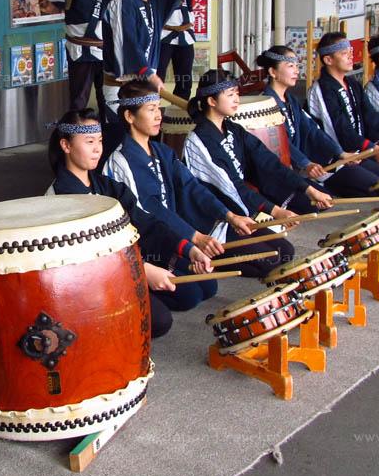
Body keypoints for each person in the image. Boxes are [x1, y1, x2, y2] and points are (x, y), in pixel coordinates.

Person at [46, 109, 213, 337]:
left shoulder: (107, 186)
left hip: (126, 263)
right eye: (89, 142)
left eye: (100, 141)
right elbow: (89, 257)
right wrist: (142, 270)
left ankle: (142, 285)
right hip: (91, 280)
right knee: (161, 320)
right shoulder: (60, 197)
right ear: (66, 146)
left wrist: (188, 248)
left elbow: (145, 222)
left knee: (195, 291)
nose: (97, 149)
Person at [103, 81, 262, 311]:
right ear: (129, 116)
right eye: (151, 110)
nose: (158, 115)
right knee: (188, 296)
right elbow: (151, 210)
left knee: (208, 287)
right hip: (147, 243)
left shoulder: (162, 151)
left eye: (159, 108)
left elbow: (191, 187)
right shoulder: (122, 161)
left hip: (173, 236)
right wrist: (194, 239)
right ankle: (137, 283)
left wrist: (229, 216)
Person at [183, 69, 324, 277]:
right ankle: (212, 255)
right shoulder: (198, 141)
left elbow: (269, 162)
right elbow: (232, 187)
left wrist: (308, 188)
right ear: (212, 101)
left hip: (238, 213)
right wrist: (275, 212)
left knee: (286, 251)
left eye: (237, 93)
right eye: (230, 94)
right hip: (216, 222)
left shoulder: (233, 129)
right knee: (273, 260)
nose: (236, 99)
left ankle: (229, 258)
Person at [257, 45, 379, 199]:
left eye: (297, 65)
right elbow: (281, 143)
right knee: (331, 200)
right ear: (272, 72)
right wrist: (305, 163)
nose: (296, 70)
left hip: (314, 165)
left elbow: (313, 130)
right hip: (287, 172)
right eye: (290, 66)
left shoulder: (291, 100)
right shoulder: (264, 104)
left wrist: (340, 153)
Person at [100, 0, 207, 152]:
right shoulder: (122, 3)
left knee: (142, 143)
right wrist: (148, 73)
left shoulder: (154, 1)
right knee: (119, 144)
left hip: (144, 86)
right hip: (121, 90)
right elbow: (126, 44)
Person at [307, 32, 379, 180]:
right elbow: (340, 130)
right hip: (337, 160)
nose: (351, 57)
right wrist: (373, 149)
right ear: (328, 59)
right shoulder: (321, 89)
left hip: (359, 153)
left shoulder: (353, 84)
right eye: (344, 53)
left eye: (350, 52)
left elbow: (372, 116)